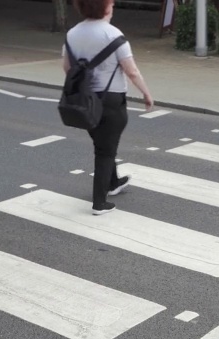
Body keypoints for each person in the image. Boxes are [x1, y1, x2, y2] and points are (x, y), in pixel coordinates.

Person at [63, 0, 154, 215]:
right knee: (105, 150)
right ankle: (99, 202)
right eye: (111, 5)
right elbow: (131, 71)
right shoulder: (114, 35)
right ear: (104, 8)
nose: (112, 9)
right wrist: (146, 93)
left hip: (84, 101)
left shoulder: (72, 34)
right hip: (111, 100)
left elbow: (67, 67)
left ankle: (113, 182)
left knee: (103, 143)